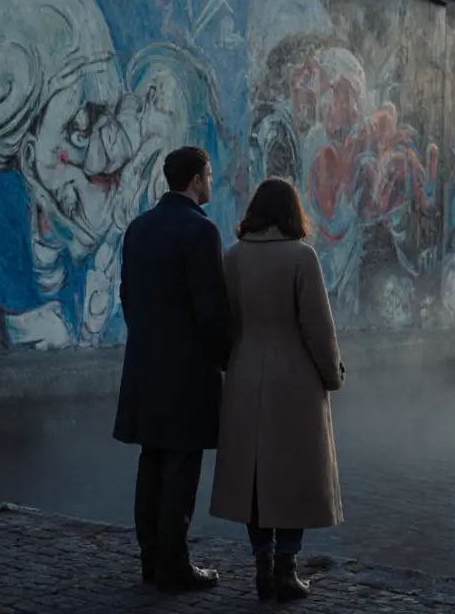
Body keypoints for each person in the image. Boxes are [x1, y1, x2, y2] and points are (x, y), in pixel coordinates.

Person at [209, 177, 346, 602]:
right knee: (292, 474)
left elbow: (224, 322)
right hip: (296, 378)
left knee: (255, 475)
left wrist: (231, 361)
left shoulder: (232, 258)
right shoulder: (302, 257)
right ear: (292, 212)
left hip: (246, 371)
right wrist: (332, 374)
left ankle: (262, 565)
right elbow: (317, 328)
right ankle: (286, 570)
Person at [112, 146, 232, 594]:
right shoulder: (201, 232)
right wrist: (225, 358)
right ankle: (174, 564)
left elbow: (127, 296)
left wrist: (149, 340)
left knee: (153, 460)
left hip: (145, 363)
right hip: (187, 371)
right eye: (210, 175)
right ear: (197, 179)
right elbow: (210, 311)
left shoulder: (138, 228)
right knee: (182, 467)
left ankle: (150, 558)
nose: (211, 183)